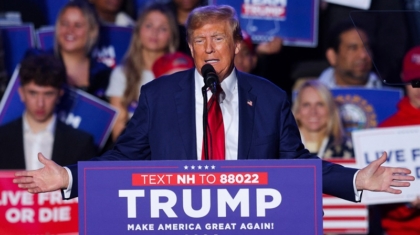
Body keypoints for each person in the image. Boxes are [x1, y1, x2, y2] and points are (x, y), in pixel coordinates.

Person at [13, 5, 414, 203]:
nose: (209, 49)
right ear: (188, 47)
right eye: (200, 41)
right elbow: (123, 159)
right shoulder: (158, 96)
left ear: (237, 44)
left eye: (218, 39)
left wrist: (356, 180)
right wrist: (69, 178)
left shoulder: (270, 97)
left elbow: (299, 165)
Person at [0, 52, 96, 170]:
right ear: (21, 93)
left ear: (60, 94)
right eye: (33, 93)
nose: (40, 103)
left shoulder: (81, 143)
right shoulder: (2, 138)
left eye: (48, 94)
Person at [105, 3, 179, 141]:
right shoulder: (121, 74)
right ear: (139, 30)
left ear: (171, 35)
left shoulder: (179, 74)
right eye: (149, 25)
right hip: (135, 154)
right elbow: (119, 132)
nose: (154, 33)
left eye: (163, 28)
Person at [376, 46, 420, 235]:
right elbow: (377, 195)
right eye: (413, 81)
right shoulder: (386, 131)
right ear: (403, 77)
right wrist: (408, 204)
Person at [54, 1, 111, 101]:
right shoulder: (39, 68)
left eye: (78, 25)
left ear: (92, 31)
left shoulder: (104, 75)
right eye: (65, 23)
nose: (70, 30)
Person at [292, 80, 354, 159]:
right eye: (306, 105)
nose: (313, 111)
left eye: (320, 104)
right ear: (297, 112)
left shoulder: (349, 148)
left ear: (331, 110)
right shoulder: (283, 147)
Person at [318, 20, 382, 88]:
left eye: (367, 48)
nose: (363, 55)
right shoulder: (311, 95)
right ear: (332, 57)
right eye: (353, 48)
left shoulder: (388, 95)